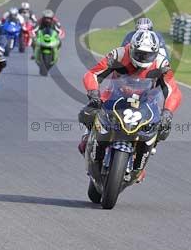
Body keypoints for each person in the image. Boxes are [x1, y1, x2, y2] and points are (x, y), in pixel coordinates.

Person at [77, 30, 181, 182]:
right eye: (139, 54)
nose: (143, 58)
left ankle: (142, 160)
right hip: (115, 96)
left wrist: (168, 113)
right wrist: (93, 92)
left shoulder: (161, 63)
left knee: (163, 127)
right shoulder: (118, 55)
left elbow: (174, 90)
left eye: (147, 55)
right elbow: (92, 74)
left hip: (146, 101)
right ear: (131, 48)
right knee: (88, 113)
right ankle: (88, 137)